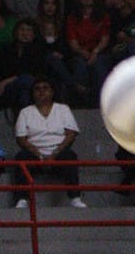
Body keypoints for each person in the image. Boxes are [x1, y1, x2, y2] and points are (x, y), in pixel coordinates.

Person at [12, 77, 88, 209]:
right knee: (21, 158)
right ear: (33, 93)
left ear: (52, 92)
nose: (41, 91)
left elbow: (71, 133)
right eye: (38, 89)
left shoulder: (62, 109)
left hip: (58, 152)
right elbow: (21, 138)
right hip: (34, 153)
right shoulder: (25, 112)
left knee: (70, 156)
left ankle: (75, 198)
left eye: (45, 88)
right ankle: (22, 199)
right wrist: (39, 156)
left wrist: (55, 153)